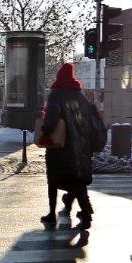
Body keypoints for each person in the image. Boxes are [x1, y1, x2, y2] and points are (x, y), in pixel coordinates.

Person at [39, 63, 95, 246]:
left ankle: (51, 214)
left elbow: (51, 118)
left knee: (53, 180)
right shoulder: (80, 95)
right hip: (79, 145)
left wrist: (46, 130)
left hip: (60, 146)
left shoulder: (56, 93)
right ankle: (86, 213)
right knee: (77, 180)